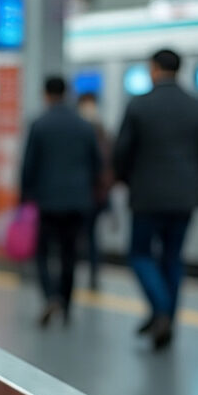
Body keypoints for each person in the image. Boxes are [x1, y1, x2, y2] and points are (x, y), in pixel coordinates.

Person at [113, 49, 198, 350]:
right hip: (185, 196)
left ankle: (161, 310)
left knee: (140, 254)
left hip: (146, 196)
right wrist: (188, 172)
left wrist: (127, 178)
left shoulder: (139, 106)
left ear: (154, 69)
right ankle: (167, 318)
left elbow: (122, 153)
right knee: (173, 257)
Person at [21, 76, 102, 325]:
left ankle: (50, 296)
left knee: (43, 253)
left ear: (45, 94)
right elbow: (97, 163)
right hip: (78, 201)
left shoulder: (40, 124)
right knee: (70, 254)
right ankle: (66, 304)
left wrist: (25, 196)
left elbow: (29, 165)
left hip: (47, 201)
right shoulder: (83, 125)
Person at [76, 90, 114, 288]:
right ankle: (92, 274)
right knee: (90, 236)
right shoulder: (102, 130)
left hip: (84, 193)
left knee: (80, 236)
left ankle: (84, 274)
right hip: (96, 194)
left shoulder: (79, 130)